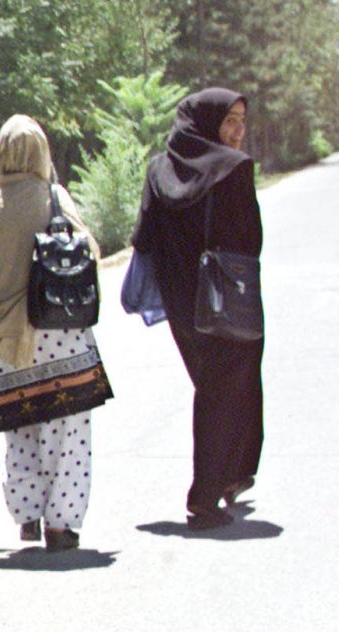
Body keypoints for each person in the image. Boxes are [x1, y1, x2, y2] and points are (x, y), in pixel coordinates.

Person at [0, 115, 103, 551]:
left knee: (20, 429)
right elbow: (91, 254)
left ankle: (27, 513)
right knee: (68, 434)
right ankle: (61, 523)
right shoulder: (54, 197)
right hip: (60, 335)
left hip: (7, 339)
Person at [132, 88, 263, 529]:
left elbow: (143, 238)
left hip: (181, 302)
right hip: (225, 300)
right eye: (230, 120)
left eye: (241, 120)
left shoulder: (158, 170)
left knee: (212, 387)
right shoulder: (234, 169)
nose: (238, 131)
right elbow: (251, 240)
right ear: (207, 122)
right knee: (228, 388)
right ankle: (206, 496)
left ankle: (228, 475)